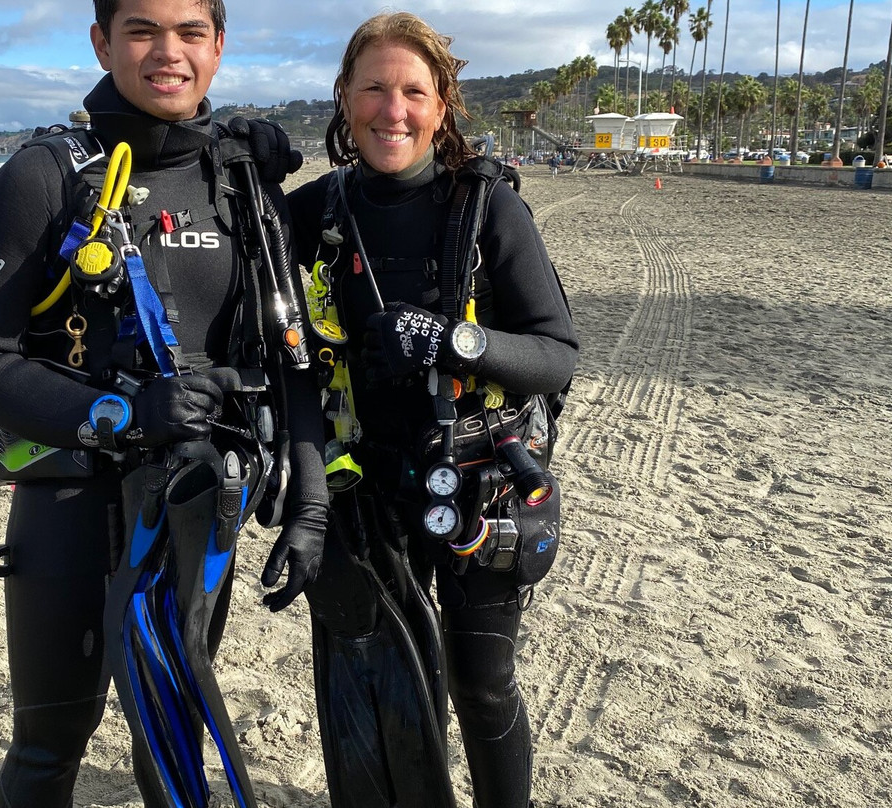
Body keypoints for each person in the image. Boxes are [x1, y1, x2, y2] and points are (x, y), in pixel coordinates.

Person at [0, 1, 327, 805]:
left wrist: (309, 497)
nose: (169, 53)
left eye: (190, 32)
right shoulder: (46, 175)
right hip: (71, 502)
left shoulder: (242, 179)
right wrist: (124, 415)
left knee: (174, 724)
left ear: (219, 45)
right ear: (101, 42)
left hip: (196, 502)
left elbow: (291, 344)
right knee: (49, 745)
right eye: (142, 31)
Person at [287, 12, 578, 808]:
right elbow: (286, 361)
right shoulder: (311, 215)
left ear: (442, 106)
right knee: (382, 680)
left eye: (413, 91)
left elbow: (557, 354)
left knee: (482, 686)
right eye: (374, 88)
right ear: (344, 98)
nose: (393, 109)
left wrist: (454, 339)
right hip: (362, 487)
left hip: (478, 480)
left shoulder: (487, 210)